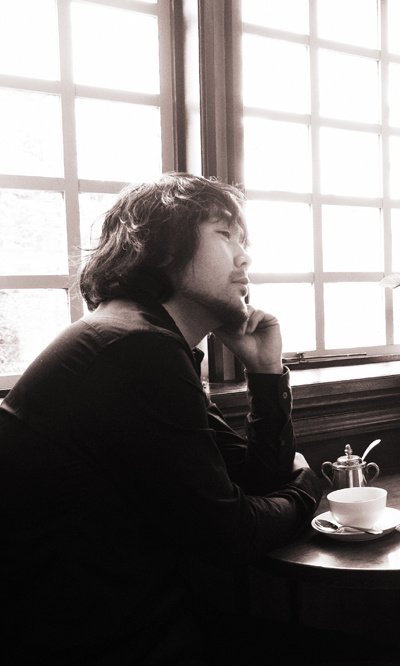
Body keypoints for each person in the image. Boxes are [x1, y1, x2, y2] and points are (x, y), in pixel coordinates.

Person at [0, 173, 327, 665]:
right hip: (95, 643)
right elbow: (230, 535)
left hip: (129, 624)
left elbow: (255, 481)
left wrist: (265, 373)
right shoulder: (134, 346)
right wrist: (306, 491)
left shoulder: (143, 337)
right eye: (225, 234)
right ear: (161, 248)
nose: (245, 258)